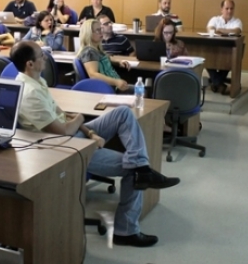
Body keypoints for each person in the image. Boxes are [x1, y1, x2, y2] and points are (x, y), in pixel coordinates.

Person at [10, 41, 180, 247]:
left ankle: (141, 166)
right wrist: (81, 119)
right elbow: (64, 129)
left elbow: (63, 116)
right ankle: (126, 230)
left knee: (122, 113)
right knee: (132, 169)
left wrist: (89, 131)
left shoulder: (37, 82)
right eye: (41, 56)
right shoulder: (30, 93)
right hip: (62, 150)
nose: (45, 58)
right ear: (30, 64)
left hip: (71, 136)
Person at [77, 19, 133, 92]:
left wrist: (118, 63)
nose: (101, 32)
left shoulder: (96, 48)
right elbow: (93, 75)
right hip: (108, 89)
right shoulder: (89, 52)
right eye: (98, 30)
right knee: (141, 91)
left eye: (101, 29)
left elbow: (102, 63)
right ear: (89, 33)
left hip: (112, 86)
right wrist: (116, 82)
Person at [206, 0, 242, 93]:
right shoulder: (215, 19)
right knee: (207, 58)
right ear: (221, 9)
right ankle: (218, 83)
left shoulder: (237, 21)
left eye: (231, 8)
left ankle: (216, 83)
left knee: (229, 61)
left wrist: (220, 30)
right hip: (214, 50)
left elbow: (236, 31)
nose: (229, 11)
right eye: (227, 8)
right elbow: (210, 29)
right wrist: (227, 31)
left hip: (229, 52)